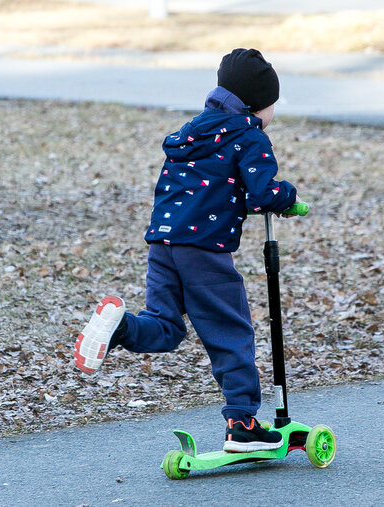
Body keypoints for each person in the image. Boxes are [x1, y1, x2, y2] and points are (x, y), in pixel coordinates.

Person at [74, 48, 299, 452]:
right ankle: (243, 424)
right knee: (231, 332)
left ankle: (120, 326)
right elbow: (263, 192)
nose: (272, 116)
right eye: (271, 107)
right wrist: (288, 197)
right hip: (203, 251)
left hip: (162, 244)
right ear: (255, 104)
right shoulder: (250, 135)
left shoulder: (191, 131)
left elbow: (210, 184)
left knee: (166, 328)